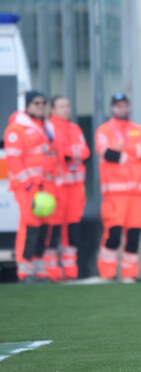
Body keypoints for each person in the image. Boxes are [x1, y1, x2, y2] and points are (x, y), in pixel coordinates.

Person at [95, 94, 141, 283]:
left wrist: (124, 150)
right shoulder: (104, 131)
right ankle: (107, 274)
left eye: (125, 105)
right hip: (115, 194)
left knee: (134, 236)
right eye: (118, 106)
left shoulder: (139, 129)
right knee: (113, 236)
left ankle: (130, 275)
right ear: (112, 108)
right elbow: (109, 154)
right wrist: (136, 151)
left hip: (138, 193)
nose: (123, 109)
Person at [4, 91, 61, 282]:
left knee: (44, 228)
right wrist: (28, 185)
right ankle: (25, 270)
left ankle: (39, 269)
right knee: (30, 226)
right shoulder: (17, 129)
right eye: (36, 103)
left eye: (43, 103)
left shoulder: (45, 127)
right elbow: (14, 161)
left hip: (45, 186)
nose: (40, 106)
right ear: (27, 105)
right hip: (28, 186)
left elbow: (50, 157)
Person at [46, 95, 90, 280]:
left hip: (75, 187)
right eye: (62, 106)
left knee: (73, 227)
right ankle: (52, 271)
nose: (66, 109)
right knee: (54, 228)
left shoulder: (74, 128)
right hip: (57, 187)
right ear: (53, 110)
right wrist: (72, 153)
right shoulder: (48, 128)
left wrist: (70, 153)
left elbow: (85, 151)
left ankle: (71, 271)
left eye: (68, 106)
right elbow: (58, 153)